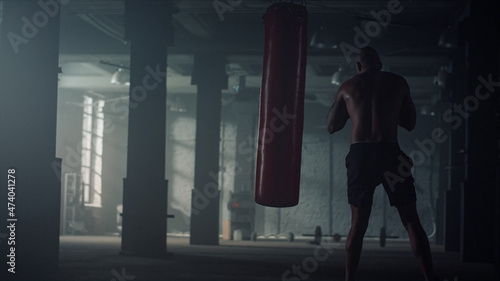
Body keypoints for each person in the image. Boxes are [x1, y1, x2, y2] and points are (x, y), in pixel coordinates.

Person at [326, 46, 434, 281]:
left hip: (361, 155)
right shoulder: (398, 82)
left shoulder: (347, 87)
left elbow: (332, 126)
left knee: (358, 225)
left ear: (358, 66)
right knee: (411, 219)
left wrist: (345, 103)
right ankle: (430, 278)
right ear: (380, 64)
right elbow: (410, 123)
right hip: (389, 152)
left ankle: (349, 280)